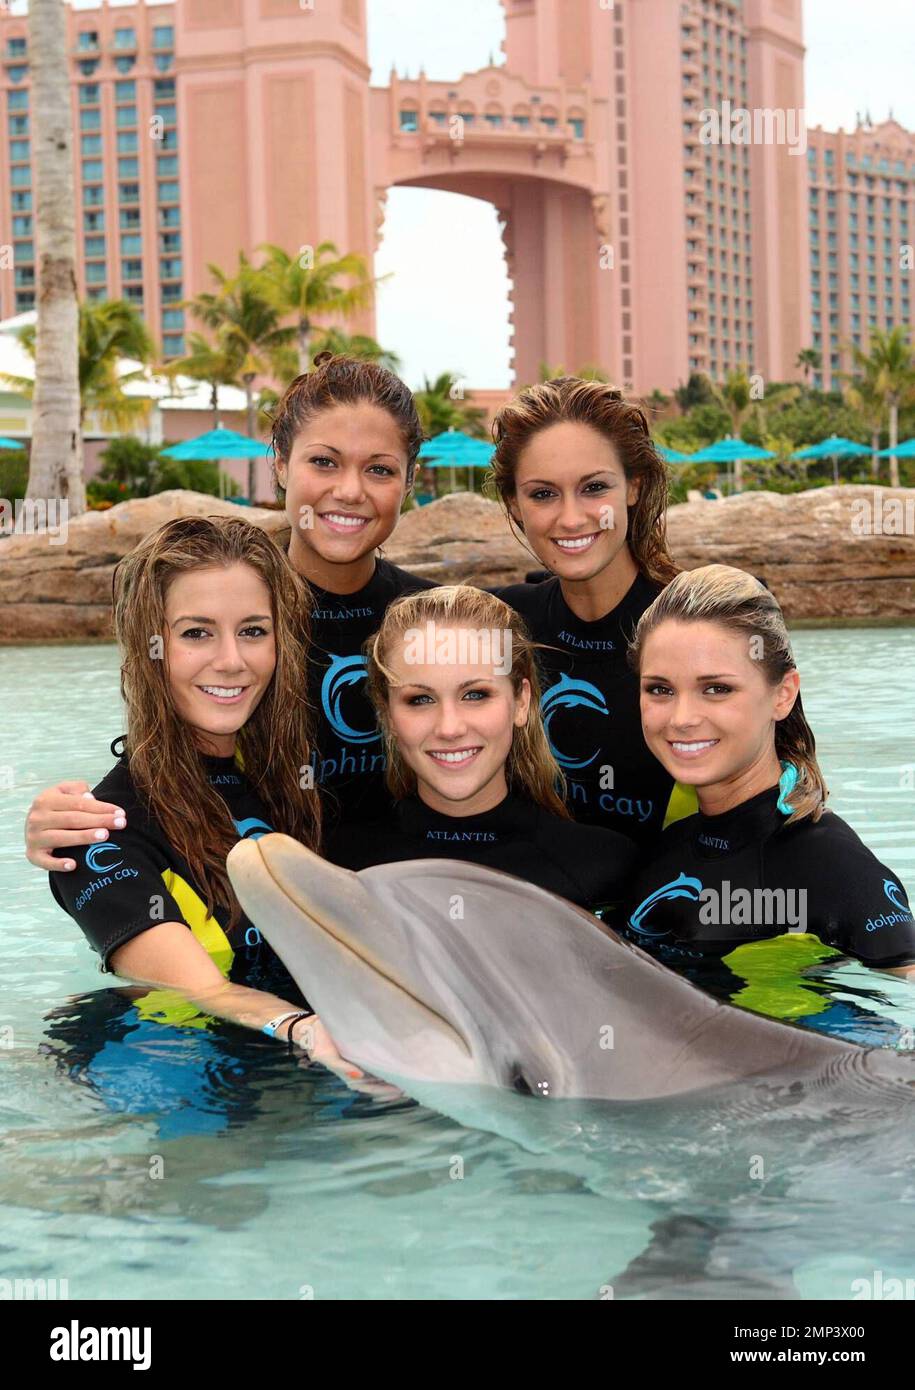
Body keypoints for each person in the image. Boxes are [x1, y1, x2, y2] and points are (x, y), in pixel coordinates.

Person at [25, 354, 435, 871]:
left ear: (409, 480)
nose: (350, 490)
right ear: (281, 464)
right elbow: (158, 758)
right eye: (324, 462)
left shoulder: (437, 622)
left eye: (379, 469)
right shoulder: (219, 613)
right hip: (266, 919)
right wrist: (60, 818)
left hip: (416, 914)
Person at [46, 515, 365, 1075]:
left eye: (253, 630)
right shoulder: (98, 834)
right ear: (151, 646)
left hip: (299, 1046)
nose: (231, 661)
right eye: (196, 633)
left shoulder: (300, 781)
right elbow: (205, 993)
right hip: (165, 1054)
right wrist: (305, 1030)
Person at [622, 564, 915, 976]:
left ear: (782, 695)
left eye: (716, 689)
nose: (681, 718)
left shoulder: (830, 864)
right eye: (660, 689)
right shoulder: (665, 849)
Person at [327, 584, 639, 912]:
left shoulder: (603, 868)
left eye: (475, 695)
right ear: (387, 713)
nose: (450, 728)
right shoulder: (339, 868)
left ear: (521, 701)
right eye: (420, 699)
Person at [489, 377, 696, 848]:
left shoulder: (709, 623)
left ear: (634, 488)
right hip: (543, 907)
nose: (570, 517)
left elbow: (790, 791)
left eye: (594, 488)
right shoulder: (500, 625)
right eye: (542, 494)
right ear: (514, 505)